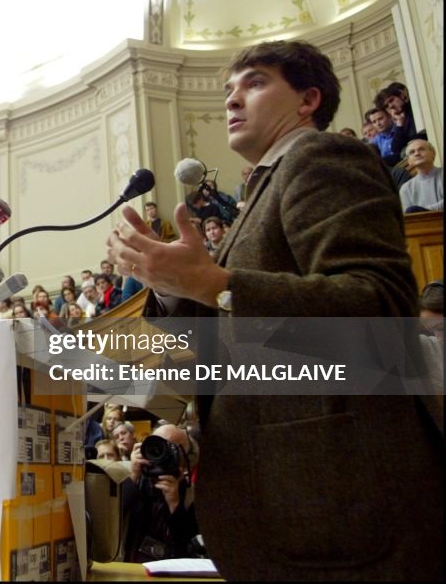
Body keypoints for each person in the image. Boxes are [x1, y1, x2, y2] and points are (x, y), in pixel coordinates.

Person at [105, 40, 442, 580]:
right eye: (228, 90)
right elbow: (219, 357)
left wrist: (216, 284)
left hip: (337, 505)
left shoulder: (322, 155)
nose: (233, 100)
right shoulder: (257, 195)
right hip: (284, 510)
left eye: (255, 82)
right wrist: (170, 288)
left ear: (308, 99)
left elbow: (377, 307)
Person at [122, 424, 200, 563]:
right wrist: (133, 476)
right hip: (131, 567)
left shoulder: (193, 496)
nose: (161, 452)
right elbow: (111, 521)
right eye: (157, 444)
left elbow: (189, 546)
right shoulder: (132, 482)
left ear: (187, 461)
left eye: (172, 448)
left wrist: (175, 504)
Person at [399, 139, 443, 212]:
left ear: (433, 154)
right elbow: (409, 216)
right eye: (412, 152)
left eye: (421, 149)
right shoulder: (405, 189)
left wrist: (422, 210)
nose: (417, 154)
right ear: (409, 161)